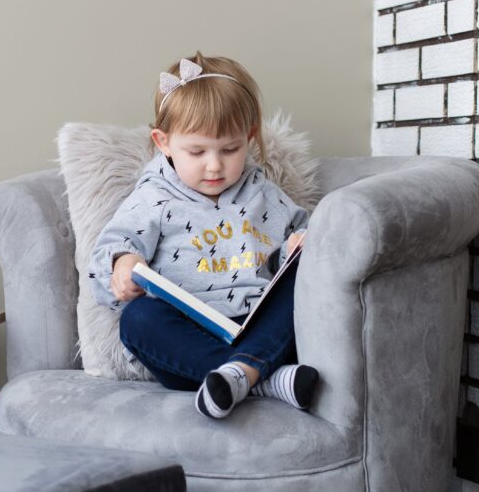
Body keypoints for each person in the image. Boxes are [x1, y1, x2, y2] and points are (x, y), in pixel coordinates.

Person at [88, 52, 318, 420]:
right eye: (196, 151)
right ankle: (261, 379)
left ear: (250, 137)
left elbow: (299, 237)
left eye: (230, 149)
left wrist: (297, 246)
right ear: (163, 143)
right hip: (190, 342)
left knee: (308, 271)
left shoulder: (262, 194)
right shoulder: (154, 198)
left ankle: (243, 373)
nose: (214, 165)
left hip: (260, 328)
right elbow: (114, 246)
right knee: (138, 320)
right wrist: (123, 265)